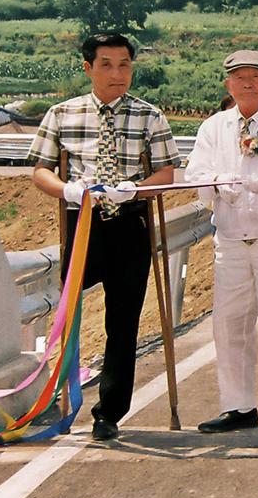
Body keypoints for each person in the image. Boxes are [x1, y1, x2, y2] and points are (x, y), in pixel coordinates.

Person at [28, 32, 181, 441]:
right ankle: (63, 395)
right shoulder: (62, 114)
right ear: (88, 67)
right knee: (71, 315)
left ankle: (108, 412)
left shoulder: (150, 116)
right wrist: (67, 189)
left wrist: (137, 187)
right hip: (82, 225)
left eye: (125, 64)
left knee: (123, 322)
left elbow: (166, 174)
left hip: (130, 223)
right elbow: (41, 169)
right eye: (107, 64)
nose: (118, 73)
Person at [185, 51, 258, 438]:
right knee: (229, 324)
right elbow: (196, 175)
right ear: (228, 84)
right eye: (240, 77)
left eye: (257, 76)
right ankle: (237, 405)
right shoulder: (214, 128)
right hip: (232, 240)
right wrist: (219, 181)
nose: (248, 82)